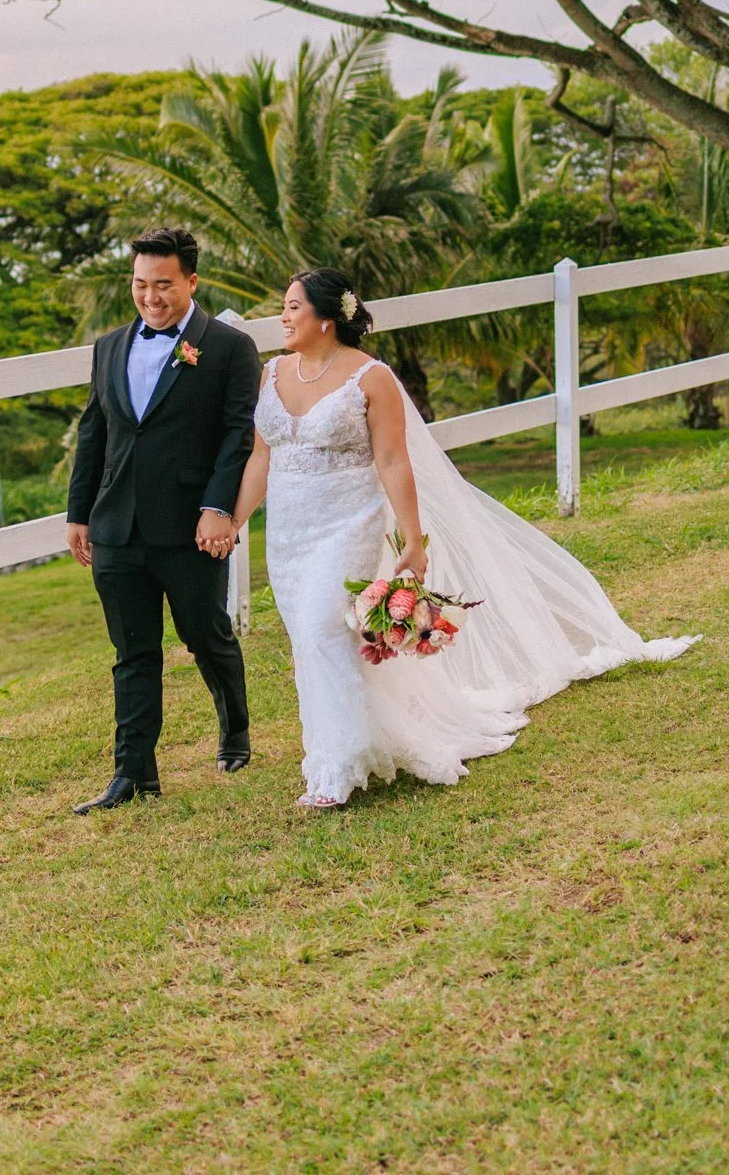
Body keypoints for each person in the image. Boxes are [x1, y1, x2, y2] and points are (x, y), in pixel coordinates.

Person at [230, 267, 697, 809]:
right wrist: (233, 521)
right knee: (311, 640)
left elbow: (392, 461)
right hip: (288, 535)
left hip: (344, 523)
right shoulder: (273, 374)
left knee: (321, 630)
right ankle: (353, 738)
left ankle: (337, 767)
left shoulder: (371, 378)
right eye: (283, 308)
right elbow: (262, 458)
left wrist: (413, 540)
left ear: (328, 320)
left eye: (292, 307)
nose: (282, 318)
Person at [66, 227, 262, 813]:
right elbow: (95, 431)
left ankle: (235, 730)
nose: (150, 297)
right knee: (132, 652)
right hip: (116, 526)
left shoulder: (229, 347)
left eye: (163, 285)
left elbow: (238, 434)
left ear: (191, 281)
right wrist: (79, 513)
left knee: (205, 635)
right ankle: (133, 776)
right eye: (139, 284)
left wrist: (218, 508)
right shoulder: (107, 348)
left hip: (191, 527)